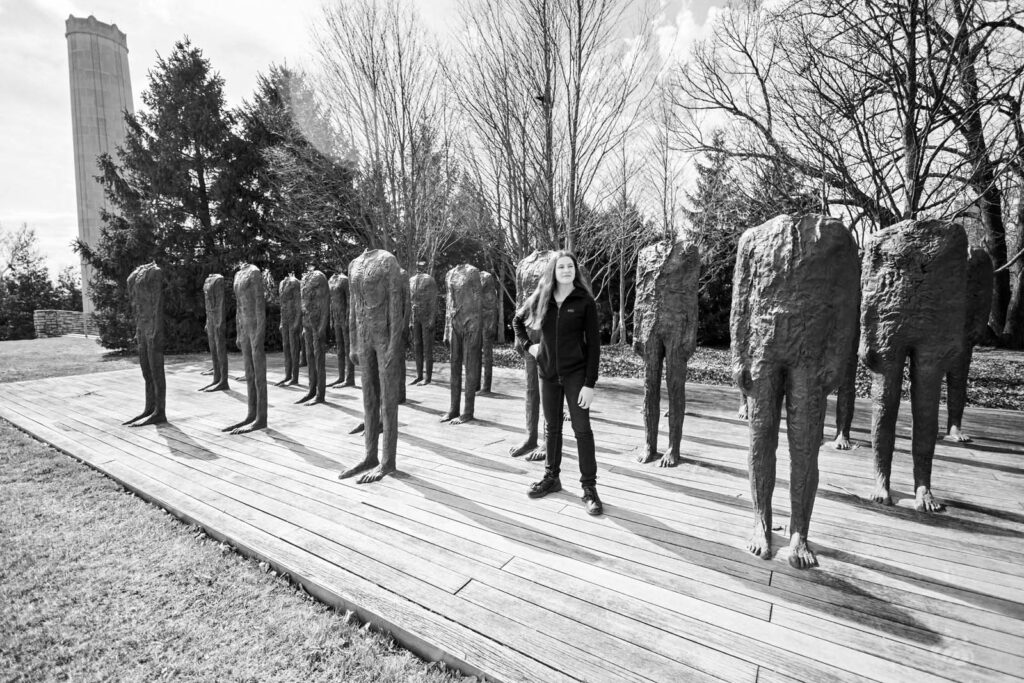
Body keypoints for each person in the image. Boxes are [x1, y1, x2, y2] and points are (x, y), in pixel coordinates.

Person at [513, 251, 603, 515]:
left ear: (575, 270)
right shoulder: (543, 296)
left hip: (576, 375)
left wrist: (590, 383)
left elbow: (595, 345)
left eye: (570, 266)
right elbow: (517, 321)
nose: (566, 270)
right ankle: (552, 478)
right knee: (552, 428)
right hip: (548, 374)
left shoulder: (584, 301)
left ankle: (589, 488)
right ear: (553, 270)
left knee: (582, 429)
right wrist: (530, 347)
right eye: (561, 266)